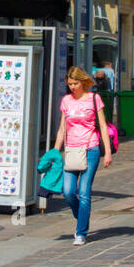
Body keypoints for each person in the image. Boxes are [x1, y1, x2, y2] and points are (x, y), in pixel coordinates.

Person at [53, 66, 113, 244]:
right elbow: (62, 129)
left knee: (84, 192)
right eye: (70, 84)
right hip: (71, 150)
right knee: (68, 192)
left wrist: (107, 152)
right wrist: (55, 152)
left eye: (75, 83)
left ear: (83, 82)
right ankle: (82, 217)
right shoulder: (66, 101)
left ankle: (81, 233)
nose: (72, 87)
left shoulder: (94, 98)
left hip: (90, 149)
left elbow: (103, 127)